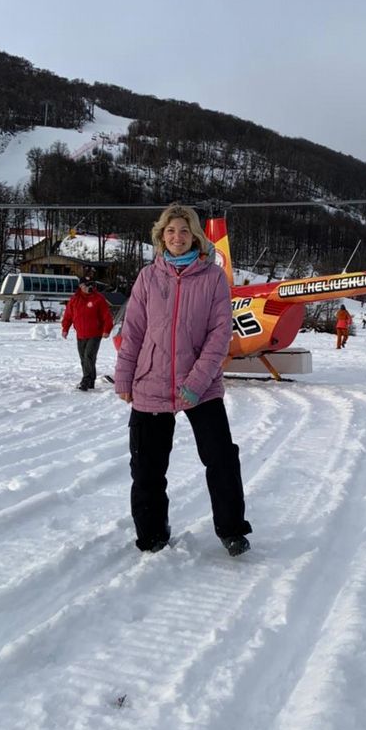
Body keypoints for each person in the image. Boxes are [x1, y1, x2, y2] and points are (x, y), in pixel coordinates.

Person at [114, 204, 252, 557]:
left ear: (195, 236)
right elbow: (133, 331)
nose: (178, 237)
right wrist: (124, 375)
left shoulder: (212, 278)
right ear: (162, 236)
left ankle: (232, 530)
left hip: (201, 387)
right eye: (171, 230)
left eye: (185, 230)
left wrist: (196, 381)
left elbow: (220, 334)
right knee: (147, 467)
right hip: (151, 382)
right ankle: (151, 535)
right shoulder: (148, 277)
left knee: (221, 459)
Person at [61, 277, 113, 390]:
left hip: (95, 333)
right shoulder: (74, 299)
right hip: (80, 334)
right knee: (84, 359)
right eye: (86, 285)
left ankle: (86, 380)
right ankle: (90, 382)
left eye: (91, 285)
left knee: (89, 356)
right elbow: (68, 315)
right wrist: (65, 328)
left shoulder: (98, 298)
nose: (89, 287)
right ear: (81, 286)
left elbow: (106, 316)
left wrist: (106, 330)